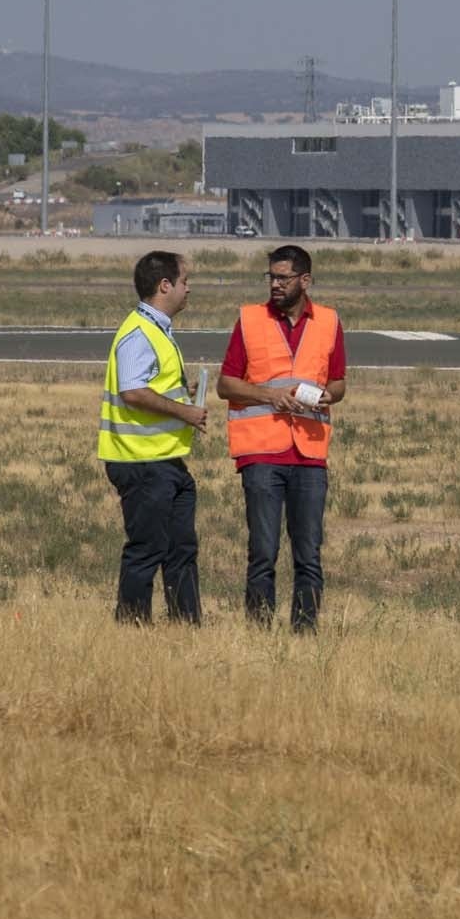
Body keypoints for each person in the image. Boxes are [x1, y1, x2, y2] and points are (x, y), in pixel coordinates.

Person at [217, 244, 345, 630]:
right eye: (271, 277)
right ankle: (259, 629)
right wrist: (268, 395)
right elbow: (226, 384)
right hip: (261, 453)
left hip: (309, 454)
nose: (275, 284)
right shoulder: (250, 319)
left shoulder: (329, 321)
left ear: (304, 281)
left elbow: (338, 384)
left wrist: (327, 395)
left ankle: (304, 630)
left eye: (283, 278)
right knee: (263, 551)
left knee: (309, 554)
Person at [100, 249, 210, 624]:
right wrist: (186, 411)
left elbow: (150, 386)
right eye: (184, 281)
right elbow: (133, 391)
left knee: (180, 547)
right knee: (147, 548)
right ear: (165, 286)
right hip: (141, 460)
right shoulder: (139, 333)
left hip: (165, 459)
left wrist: (183, 393)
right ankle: (132, 625)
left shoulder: (156, 330)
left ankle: (186, 623)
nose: (188, 289)